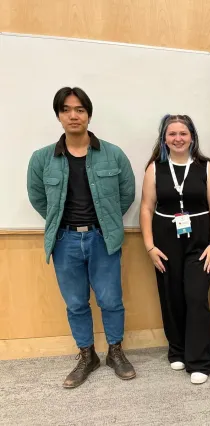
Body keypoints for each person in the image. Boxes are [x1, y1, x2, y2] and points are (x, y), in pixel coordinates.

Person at [26, 87, 137, 388]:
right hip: (65, 241)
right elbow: (38, 198)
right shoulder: (42, 159)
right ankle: (87, 355)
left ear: (88, 114)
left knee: (111, 299)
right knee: (75, 302)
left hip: (103, 238)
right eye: (66, 110)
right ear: (59, 116)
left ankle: (115, 351)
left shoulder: (112, 154)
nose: (73, 115)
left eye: (79, 109)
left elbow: (126, 194)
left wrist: (108, 221)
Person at [139, 114, 210, 384]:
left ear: (192, 137)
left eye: (183, 133)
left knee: (196, 298)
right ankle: (177, 349)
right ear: (164, 138)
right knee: (171, 295)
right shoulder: (155, 168)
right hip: (165, 239)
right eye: (172, 134)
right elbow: (146, 208)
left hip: (200, 241)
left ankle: (199, 361)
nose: (178, 138)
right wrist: (149, 246)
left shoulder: (206, 167)